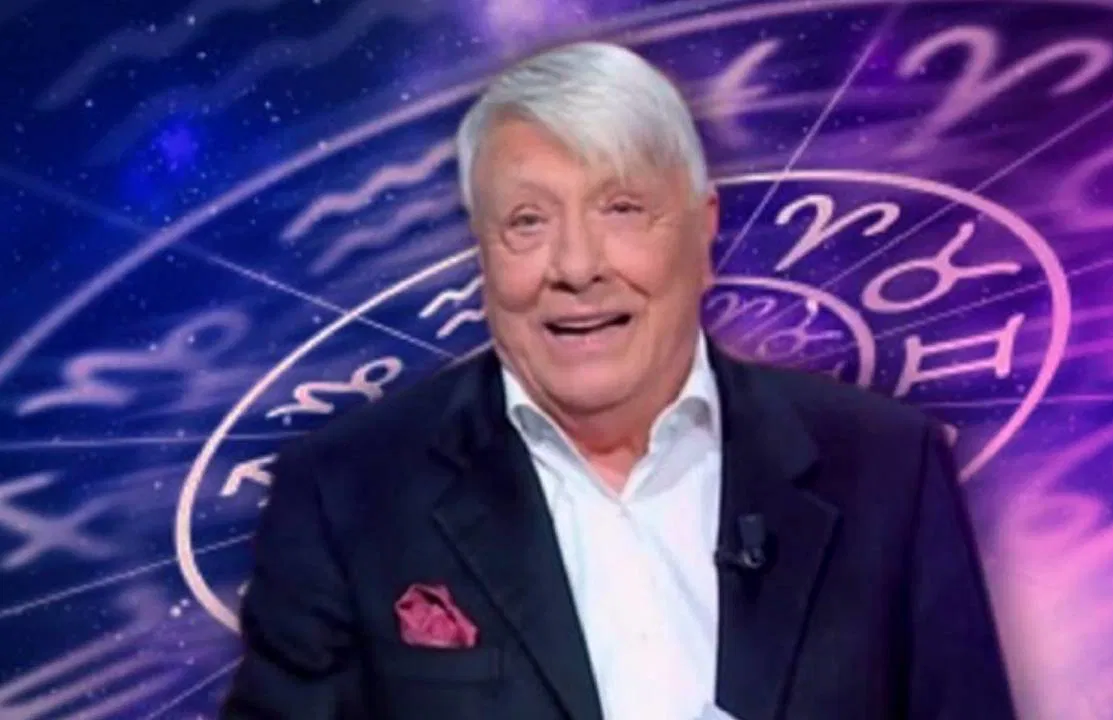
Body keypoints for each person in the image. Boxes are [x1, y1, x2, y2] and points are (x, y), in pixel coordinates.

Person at [221, 40, 1016, 720]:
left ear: (704, 231)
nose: (576, 267)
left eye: (623, 208)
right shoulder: (346, 495)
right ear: (481, 253)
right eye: (527, 222)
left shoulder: (886, 468)